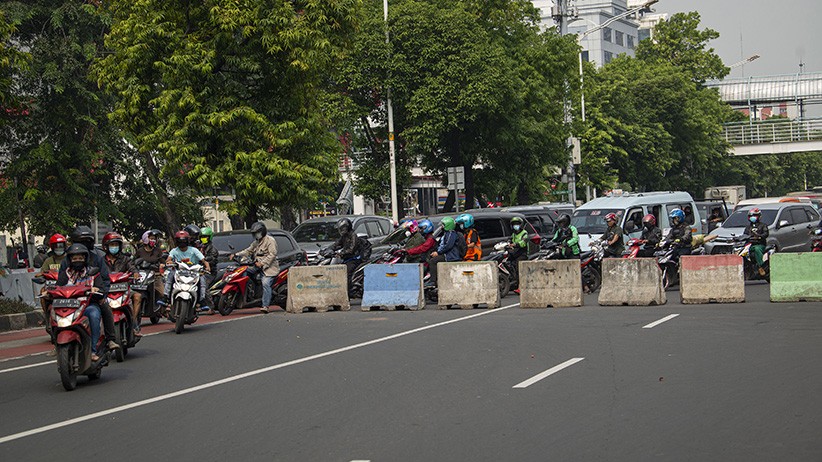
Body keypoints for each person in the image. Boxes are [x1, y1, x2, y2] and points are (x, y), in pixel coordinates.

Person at [59, 226, 118, 355]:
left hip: (90, 301)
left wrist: (101, 294)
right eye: (74, 258)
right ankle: (56, 343)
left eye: (81, 258)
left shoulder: (96, 262)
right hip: (70, 304)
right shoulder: (66, 266)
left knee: (100, 310)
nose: (78, 259)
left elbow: (104, 280)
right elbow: (59, 285)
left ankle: (105, 342)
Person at [230, 222, 279, 313]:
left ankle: (265, 306)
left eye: (257, 233)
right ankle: (246, 295)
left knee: (266, 283)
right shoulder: (256, 242)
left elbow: (272, 254)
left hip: (269, 268)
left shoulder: (270, 240)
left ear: (262, 232)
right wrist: (236, 254)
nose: (256, 235)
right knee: (244, 271)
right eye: (254, 233)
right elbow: (248, 251)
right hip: (256, 266)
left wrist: (262, 263)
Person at [162, 230, 212, 314]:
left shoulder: (194, 250)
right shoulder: (174, 251)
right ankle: (166, 297)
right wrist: (169, 262)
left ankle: (201, 300)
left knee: (202, 280)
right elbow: (168, 260)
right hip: (179, 272)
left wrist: (207, 267)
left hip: (193, 272)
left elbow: (204, 260)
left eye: (184, 240)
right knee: (169, 278)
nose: (182, 243)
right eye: (180, 241)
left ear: (187, 241)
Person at [102, 232, 141, 337]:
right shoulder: (101, 261)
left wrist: (135, 273)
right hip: (107, 290)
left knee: (137, 297)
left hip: (123, 289)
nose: (114, 247)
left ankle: (134, 324)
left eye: (116, 245)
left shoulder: (126, 259)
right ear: (106, 246)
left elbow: (132, 268)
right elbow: (96, 272)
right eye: (112, 245)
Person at [428, 217, 462, 285]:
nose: (442, 226)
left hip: (450, 256)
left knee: (433, 261)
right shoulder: (446, 234)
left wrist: (438, 253)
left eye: (443, 225)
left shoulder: (451, 234)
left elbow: (448, 246)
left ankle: (433, 281)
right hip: (446, 254)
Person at [331, 217, 360, 283]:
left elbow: (351, 249)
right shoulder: (344, 236)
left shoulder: (353, 236)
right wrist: (328, 249)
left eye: (342, 228)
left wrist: (341, 253)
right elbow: (336, 244)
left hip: (353, 259)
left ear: (347, 228)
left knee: (347, 272)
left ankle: (348, 286)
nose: (340, 230)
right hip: (345, 259)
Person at [744, 208, 769, 276]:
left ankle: (761, 266)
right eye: (751, 216)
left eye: (754, 215)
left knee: (757, 249)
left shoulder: (763, 225)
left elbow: (766, 233)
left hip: (760, 245)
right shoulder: (748, 227)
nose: (752, 217)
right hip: (750, 245)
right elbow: (745, 235)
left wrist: (759, 236)